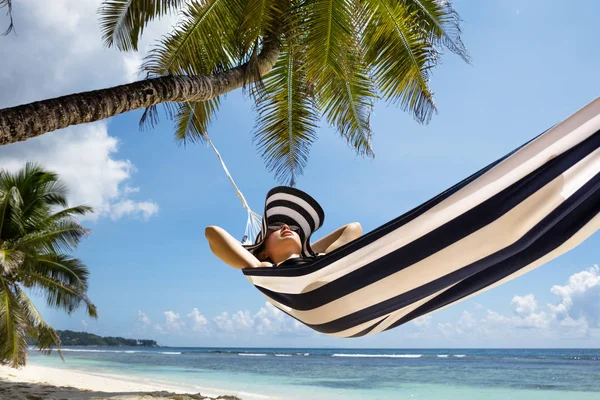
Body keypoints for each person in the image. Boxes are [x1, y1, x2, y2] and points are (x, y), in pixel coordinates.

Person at [205, 186, 362, 269]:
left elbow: (354, 227)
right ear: (263, 253)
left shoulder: (323, 258)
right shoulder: (266, 268)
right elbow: (213, 232)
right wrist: (253, 260)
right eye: (274, 228)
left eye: (294, 229)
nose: (286, 227)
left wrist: (305, 253)